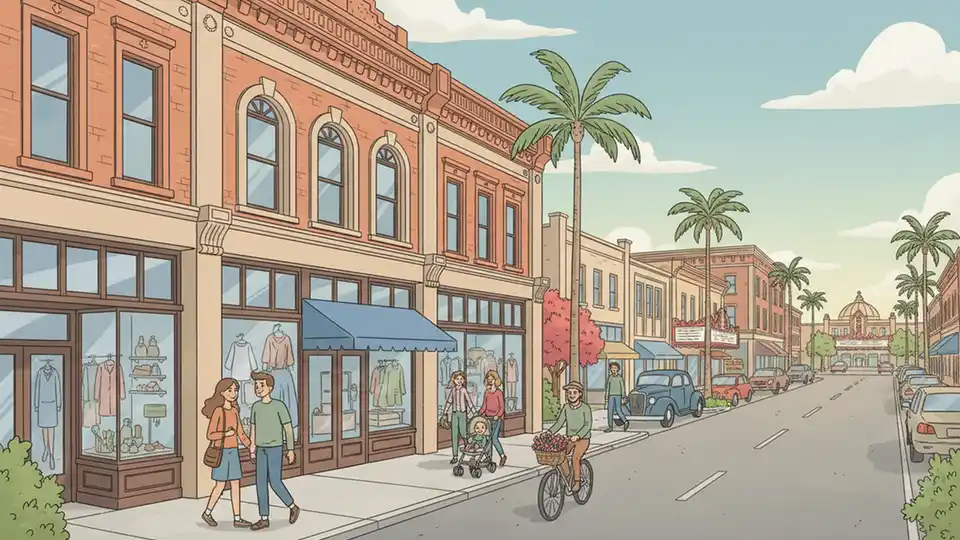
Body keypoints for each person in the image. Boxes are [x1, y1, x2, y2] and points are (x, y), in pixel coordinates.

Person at [248, 371, 300, 531]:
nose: (258, 388)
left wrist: (290, 449)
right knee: (260, 483)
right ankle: (264, 518)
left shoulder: (279, 406)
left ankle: (292, 506)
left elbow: (288, 429)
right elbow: (253, 427)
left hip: (275, 449)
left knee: (275, 481)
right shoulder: (255, 407)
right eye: (256, 386)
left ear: (270, 387)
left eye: (262, 385)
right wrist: (252, 447)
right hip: (261, 449)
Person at [200, 378, 252, 528]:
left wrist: (250, 446)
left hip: (234, 452)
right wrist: (225, 434)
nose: (233, 393)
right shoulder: (218, 411)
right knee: (220, 485)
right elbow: (210, 434)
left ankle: (237, 517)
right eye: (229, 390)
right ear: (222, 392)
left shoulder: (235, 411)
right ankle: (207, 512)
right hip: (221, 452)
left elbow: (241, 433)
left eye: (235, 390)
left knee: (236, 484)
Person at [545, 381, 592, 494]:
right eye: (569, 393)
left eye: (574, 392)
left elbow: (587, 425)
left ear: (580, 394)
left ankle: (577, 481)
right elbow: (559, 423)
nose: (571, 395)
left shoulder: (585, 408)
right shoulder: (566, 407)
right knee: (560, 456)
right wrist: (549, 432)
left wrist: (578, 435)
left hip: (583, 439)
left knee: (575, 458)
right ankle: (567, 478)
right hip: (569, 438)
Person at [440, 370, 474, 464]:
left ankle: (468, 446)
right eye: (457, 379)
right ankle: (455, 456)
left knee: (464, 433)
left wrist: (474, 413)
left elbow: (469, 402)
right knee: (454, 435)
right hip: (454, 414)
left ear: (464, 380)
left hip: (462, 414)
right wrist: (445, 413)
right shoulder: (453, 390)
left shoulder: (463, 390)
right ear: (453, 380)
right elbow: (449, 402)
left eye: (461, 379)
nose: (459, 380)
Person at [477, 370, 507, 466]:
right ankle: (488, 456)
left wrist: (497, 415)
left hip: (496, 418)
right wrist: (479, 413)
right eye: (488, 380)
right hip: (487, 418)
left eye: (492, 379)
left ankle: (502, 455)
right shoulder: (487, 392)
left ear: (495, 380)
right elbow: (484, 405)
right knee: (486, 438)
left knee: (494, 438)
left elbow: (502, 407)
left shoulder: (499, 393)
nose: (490, 381)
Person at [603, 362, 630, 433]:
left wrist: (623, 396)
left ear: (618, 369)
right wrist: (606, 396)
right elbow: (607, 387)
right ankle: (610, 427)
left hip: (618, 396)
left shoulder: (620, 378)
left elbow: (623, 388)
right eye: (612, 368)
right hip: (610, 396)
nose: (614, 369)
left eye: (615, 368)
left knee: (618, 410)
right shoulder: (610, 378)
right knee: (610, 411)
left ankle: (625, 421)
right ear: (610, 369)